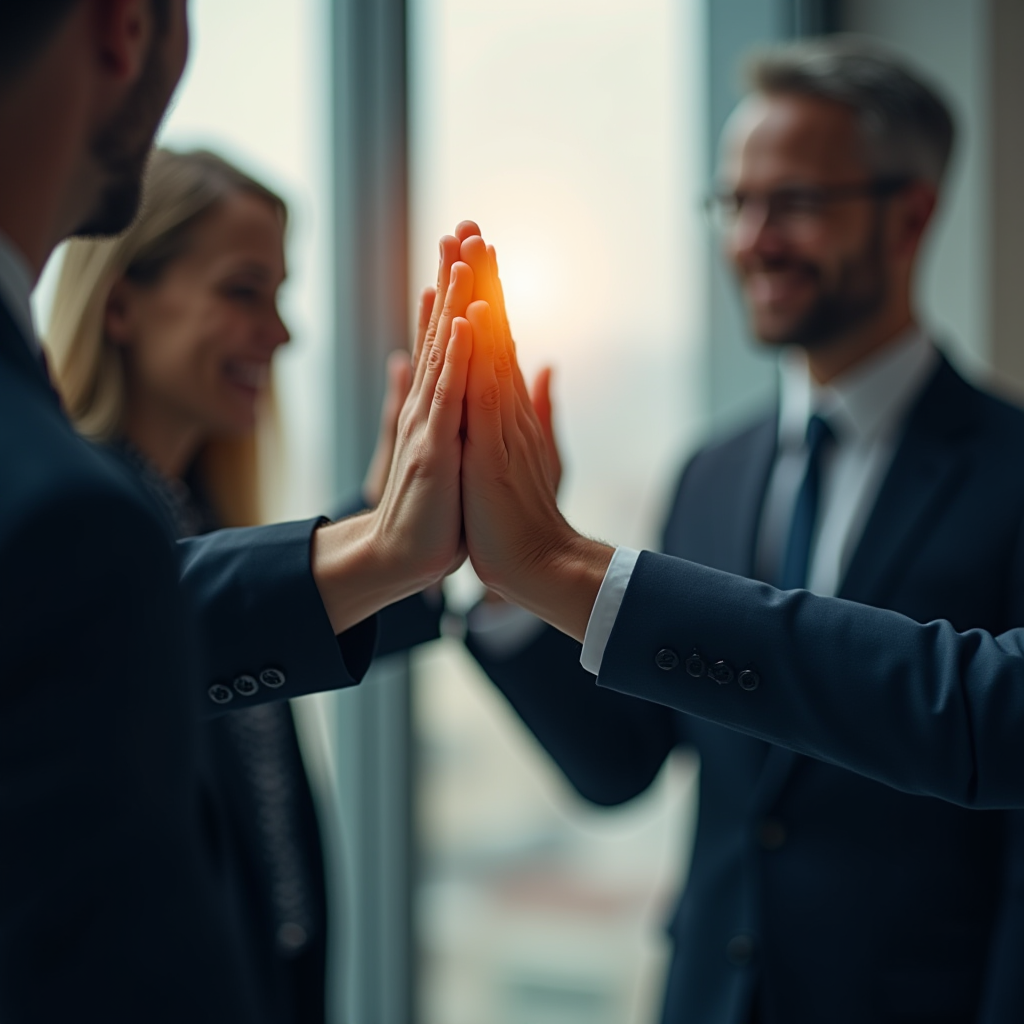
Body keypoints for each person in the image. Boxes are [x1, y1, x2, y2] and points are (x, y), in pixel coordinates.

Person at [458, 38, 1024, 1024]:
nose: (751, 238)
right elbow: (622, 763)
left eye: (795, 202)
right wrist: (503, 588)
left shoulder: (1012, 468)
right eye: (733, 201)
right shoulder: (710, 472)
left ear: (913, 214)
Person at [0, 2, 472, 1019]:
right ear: (121, 302)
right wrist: (384, 541)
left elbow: (226, 592)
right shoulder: (78, 515)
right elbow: (173, 609)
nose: (283, 333)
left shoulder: (179, 514)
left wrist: (399, 518)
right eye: (244, 291)